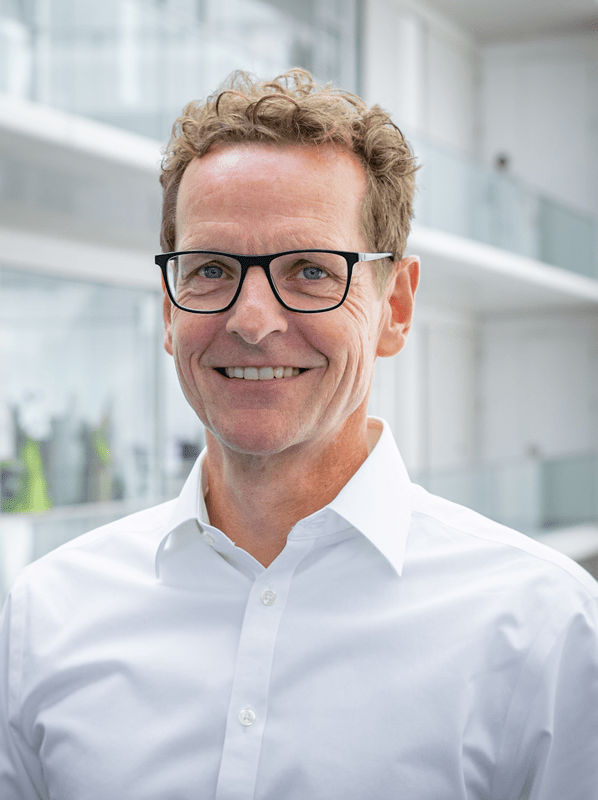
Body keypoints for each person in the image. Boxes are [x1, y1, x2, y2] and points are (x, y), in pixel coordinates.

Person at [1, 69, 597, 800]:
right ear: (168, 309)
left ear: (396, 307)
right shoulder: (47, 615)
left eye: (311, 270)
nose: (252, 321)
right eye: (211, 269)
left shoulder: (547, 629)